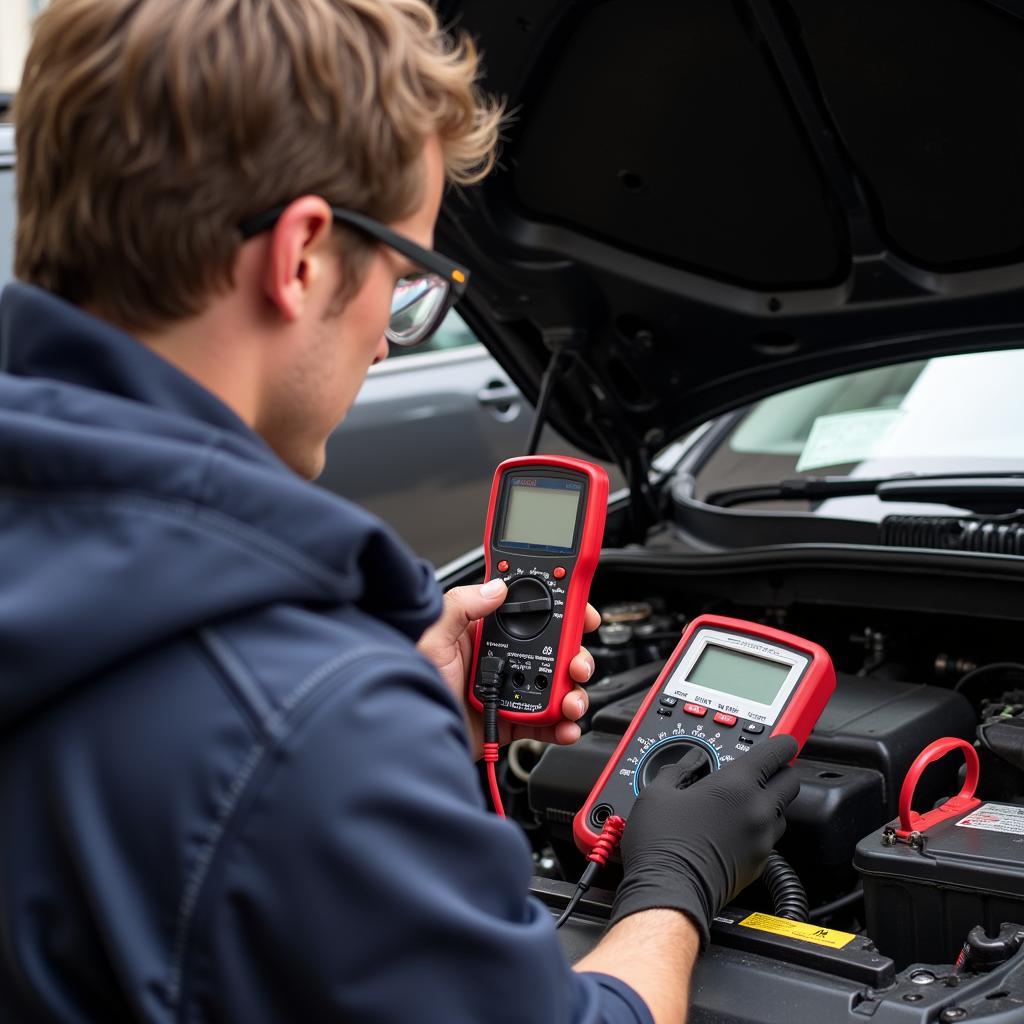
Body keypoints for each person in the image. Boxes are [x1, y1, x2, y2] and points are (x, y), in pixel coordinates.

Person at [0, 1, 800, 1022]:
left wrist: (394, 704)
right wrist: (675, 883)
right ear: (300, 256)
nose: (389, 338)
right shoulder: (302, 725)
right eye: (408, 280)